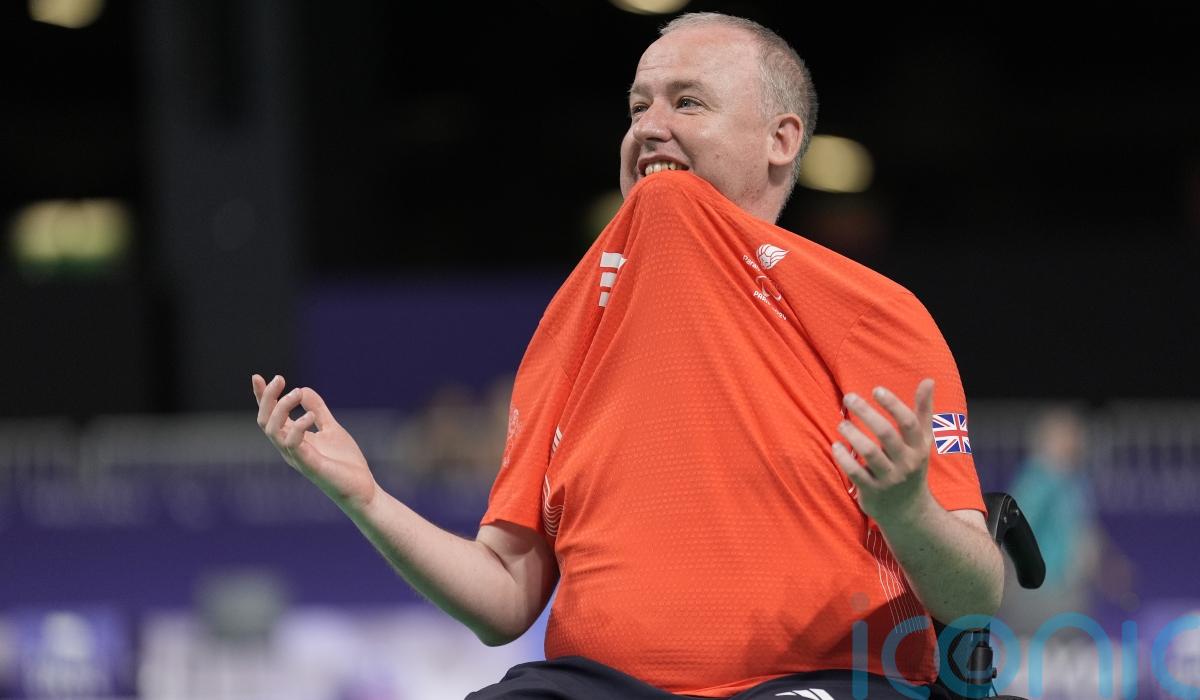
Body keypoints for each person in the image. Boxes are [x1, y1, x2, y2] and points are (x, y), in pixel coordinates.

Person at [252, 12, 1003, 699]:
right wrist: (367, 499)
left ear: (779, 140)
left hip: (823, 680)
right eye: (639, 107)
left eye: (688, 103)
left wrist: (906, 511)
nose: (650, 128)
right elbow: (504, 597)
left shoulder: (872, 314)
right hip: (597, 686)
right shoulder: (569, 327)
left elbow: (974, 596)